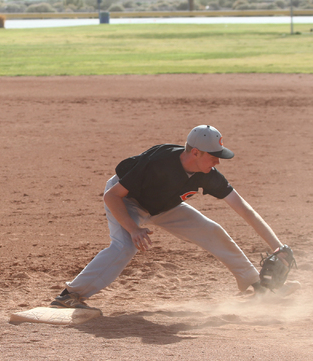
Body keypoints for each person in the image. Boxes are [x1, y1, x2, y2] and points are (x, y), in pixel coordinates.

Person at [51, 125, 291, 309]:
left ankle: (255, 284)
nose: (218, 161)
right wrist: (133, 229)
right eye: (213, 156)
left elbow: (244, 209)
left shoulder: (209, 174)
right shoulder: (158, 162)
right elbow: (112, 196)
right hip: (128, 201)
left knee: (212, 230)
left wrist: (278, 247)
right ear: (195, 152)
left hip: (164, 206)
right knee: (125, 246)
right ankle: (71, 295)